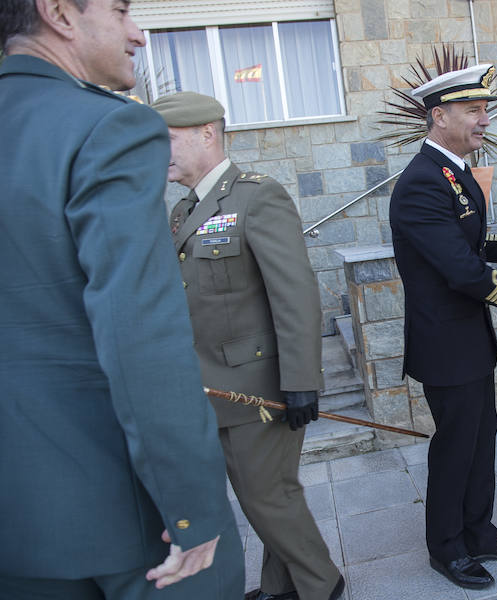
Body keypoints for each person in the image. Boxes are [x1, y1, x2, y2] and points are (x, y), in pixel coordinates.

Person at [0, 1, 244, 599]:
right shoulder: (107, 127)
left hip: (14, 527)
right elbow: (140, 336)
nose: (137, 32)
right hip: (131, 526)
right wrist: (191, 510)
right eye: (121, 9)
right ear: (59, 13)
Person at [149, 91, 344, 600]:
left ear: (207, 133)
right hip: (213, 385)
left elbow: (295, 294)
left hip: (259, 384)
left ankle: (322, 586)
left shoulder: (258, 196)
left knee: (268, 496)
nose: (158, 151)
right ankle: (281, 586)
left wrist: (303, 381)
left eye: (167, 140)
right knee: (260, 496)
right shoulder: (183, 211)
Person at [389, 63, 497, 590]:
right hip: (445, 343)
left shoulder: (451, 171)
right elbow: (457, 266)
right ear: (438, 117)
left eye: (485, 111)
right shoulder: (421, 183)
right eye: (473, 111)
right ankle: (446, 547)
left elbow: (472, 242)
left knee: (481, 439)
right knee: (455, 447)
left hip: (467, 339)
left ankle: (480, 531)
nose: (484, 121)